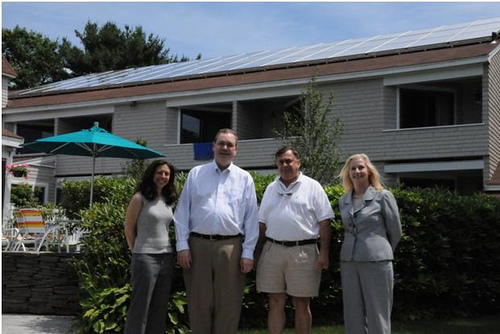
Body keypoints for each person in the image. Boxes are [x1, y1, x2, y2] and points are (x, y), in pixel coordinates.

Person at [173, 128, 259, 334]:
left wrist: (248, 252)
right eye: (221, 143)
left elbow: (252, 218)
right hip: (197, 246)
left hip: (231, 246)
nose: (225, 148)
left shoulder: (244, 179)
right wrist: (182, 246)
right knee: (199, 301)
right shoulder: (196, 174)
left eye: (230, 145)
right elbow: (182, 212)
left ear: (236, 150)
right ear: (213, 146)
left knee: (229, 301)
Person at [256, 146, 334, 334]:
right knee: (275, 301)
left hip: (304, 252)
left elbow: (325, 222)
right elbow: (261, 224)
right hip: (272, 250)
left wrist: (323, 253)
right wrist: (257, 254)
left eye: (289, 161)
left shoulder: (312, 186)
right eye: (281, 161)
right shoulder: (271, 188)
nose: (285, 165)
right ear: (277, 165)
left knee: (301, 302)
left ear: (298, 162)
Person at [338, 153, 402, 334]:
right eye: (353, 168)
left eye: (361, 167)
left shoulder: (383, 196)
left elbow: (395, 231)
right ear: (348, 173)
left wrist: (380, 251)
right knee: (352, 312)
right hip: (349, 261)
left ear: (369, 171)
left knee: (377, 312)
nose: (357, 171)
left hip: (377, 261)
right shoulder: (343, 201)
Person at [124, 159, 178, 334]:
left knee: (159, 307)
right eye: (159, 173)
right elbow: (128, 228)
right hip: (145, 257)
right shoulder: (139, 198)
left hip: (166, 257)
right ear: (151, 174)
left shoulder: (168, 199)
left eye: (166, 174)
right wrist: (136, 251)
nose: (163, 176)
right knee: (140, 307)